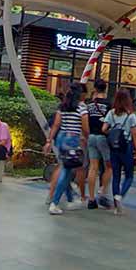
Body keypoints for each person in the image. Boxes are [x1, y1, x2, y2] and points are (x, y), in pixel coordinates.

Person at [45, 84, 89, 216]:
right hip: (73, 139)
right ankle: (55, 203)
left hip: (61, 138)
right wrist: (85, 137)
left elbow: (56, 124)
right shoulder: (81, 107)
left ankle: (70, 199)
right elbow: (85, 128)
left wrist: (49, 140)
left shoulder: (63, 106)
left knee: (66, 168)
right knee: (66, 171)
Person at [102, 88, 136, 214]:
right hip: (126, 147)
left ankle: (116, 206)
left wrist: (113, 133)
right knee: (129, 175)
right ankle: (121, 195)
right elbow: (135, 134)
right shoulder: (131, 116)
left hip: (114, 148)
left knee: (116, 176)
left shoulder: (111, 113)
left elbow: (104, 129)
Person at [84, 79, 111, 208]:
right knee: (109, 166)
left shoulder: (89, 104)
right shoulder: (108, 104)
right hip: (103, 137)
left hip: (91, 136)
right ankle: (102, 191)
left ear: (95, 88)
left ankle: (91, 199)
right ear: (105, 89)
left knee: (93, 167)